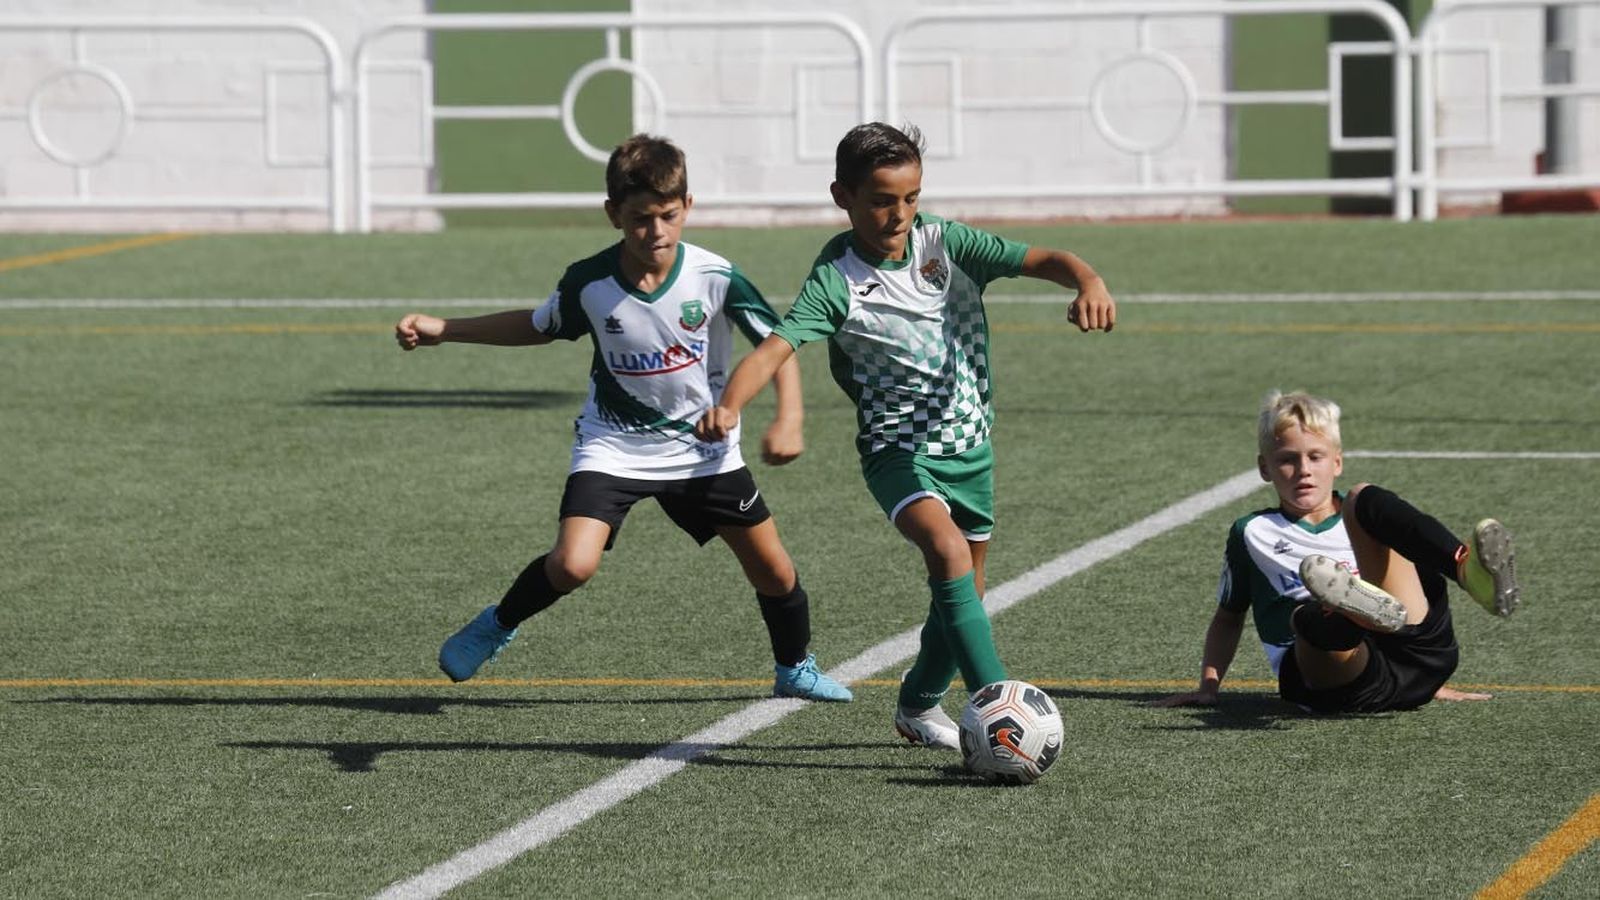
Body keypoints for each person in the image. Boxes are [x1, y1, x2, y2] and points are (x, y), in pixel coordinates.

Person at [696, 122, 1116, 748]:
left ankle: (918, 706)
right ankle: (999, 711)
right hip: (898, 452)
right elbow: (776, 347)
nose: (900, 214)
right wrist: (732, 403)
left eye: (911, 197)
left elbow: (1043, 259)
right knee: (946, 556)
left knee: (963, 593)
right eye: (882, 200)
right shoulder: (837, 279)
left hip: (970, 447)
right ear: (843, 196)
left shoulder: (948, 243)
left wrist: (1089, 280)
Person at [393, 134, 851, 702]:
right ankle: (497, 623)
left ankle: (794, 667)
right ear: (613, 214)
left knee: (775, 574)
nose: (655, 231)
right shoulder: (589, 281)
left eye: (667, 215)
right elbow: (538, 326)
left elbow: (776, 348)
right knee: (573, 564)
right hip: (613, 446)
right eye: (639, 219)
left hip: (702, 453)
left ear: (688, 206)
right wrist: (448, 330)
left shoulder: (716, 277)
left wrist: (790, 419)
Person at [1155, 389, 1520, 714]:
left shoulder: (1367, 523)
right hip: (1339, 678)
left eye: (1315, 457)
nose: (1303, 471)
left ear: (1337, 462)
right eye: (1287, 459)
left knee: (1366, 498)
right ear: (1265, 467)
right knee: (1308, 616)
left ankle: (1466, 570)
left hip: (1415, 659)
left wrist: (1432, 684)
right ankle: (1349, 613)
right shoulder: (1252, 532)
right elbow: (1228, 617)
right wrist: (1209, 686)